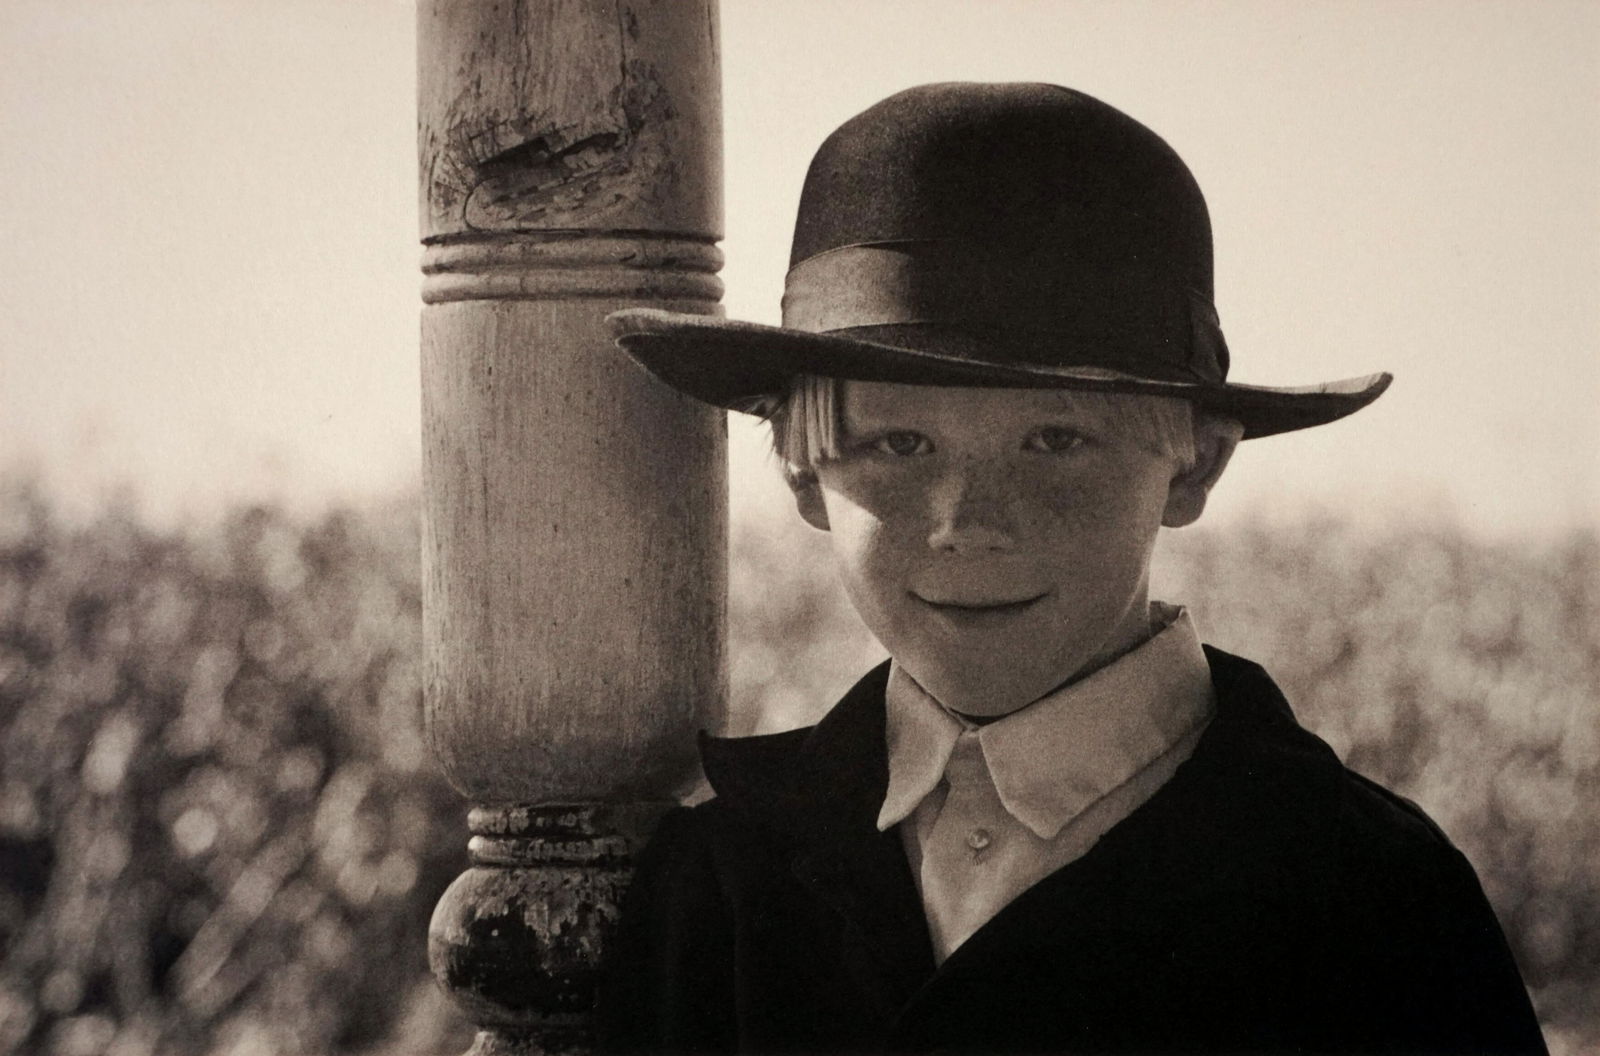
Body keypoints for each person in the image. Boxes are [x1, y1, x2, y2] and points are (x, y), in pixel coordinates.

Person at [596, 82, 1546, 1054]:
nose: (967, 524)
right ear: (804, 478)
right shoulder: (720, 875)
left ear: (1196, 466)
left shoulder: (1367, 897)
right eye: (899, 445)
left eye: (1054, 442)